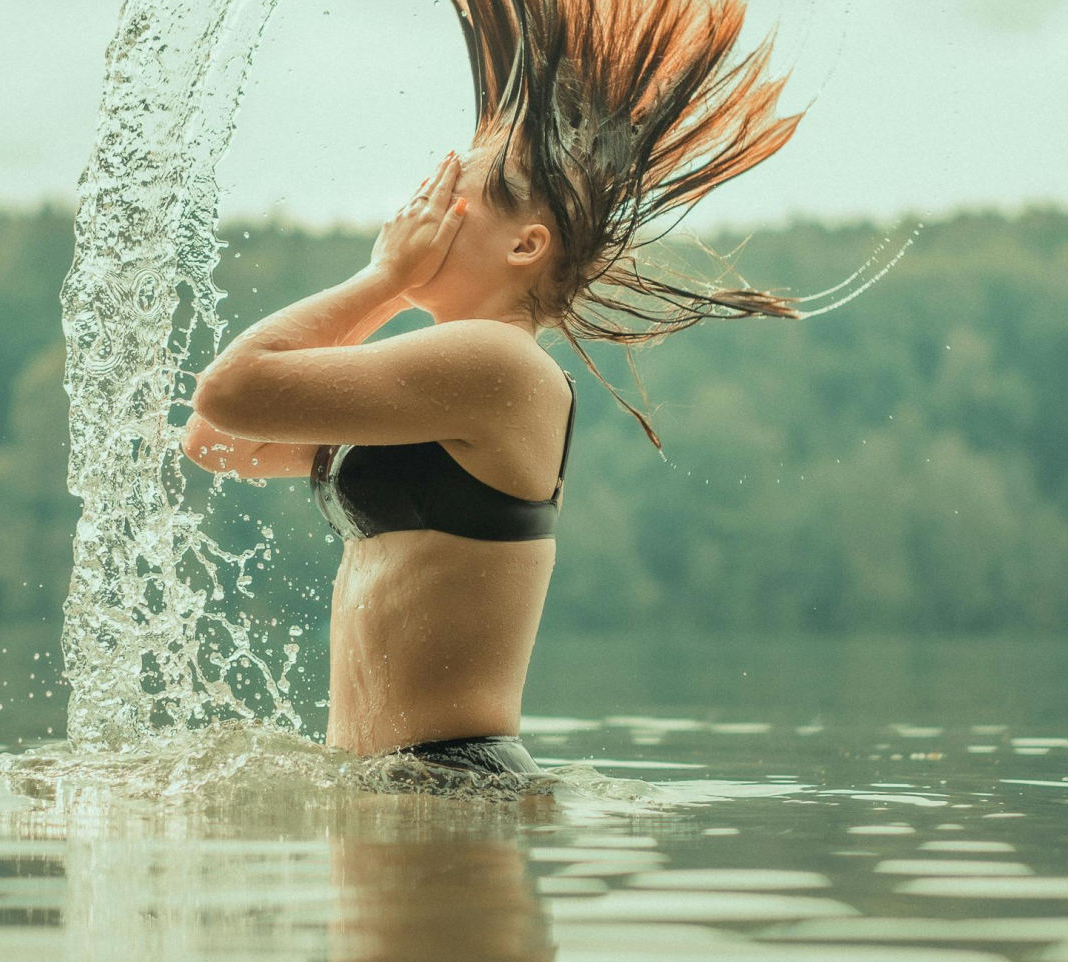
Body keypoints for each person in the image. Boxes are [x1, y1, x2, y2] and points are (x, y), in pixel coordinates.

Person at [182, 0, 806, 775]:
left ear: (526, 244)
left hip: (452, 782)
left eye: (454, 193)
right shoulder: (443, 381)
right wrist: (390, 290)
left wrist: (383, 278)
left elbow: (228, 390)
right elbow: (215, 442)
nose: (423, 209)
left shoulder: (497, 366)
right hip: (398, 787)